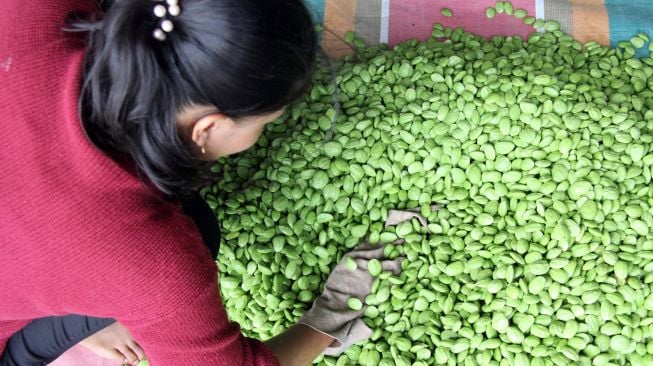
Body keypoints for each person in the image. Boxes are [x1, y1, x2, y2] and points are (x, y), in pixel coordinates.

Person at [0, 0, 403, 365]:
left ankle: (89, 310)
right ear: (208, 127)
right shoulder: (154, 265)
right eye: (269, 121)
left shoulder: (34, 11)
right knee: (196, 230)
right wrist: (330, 315)